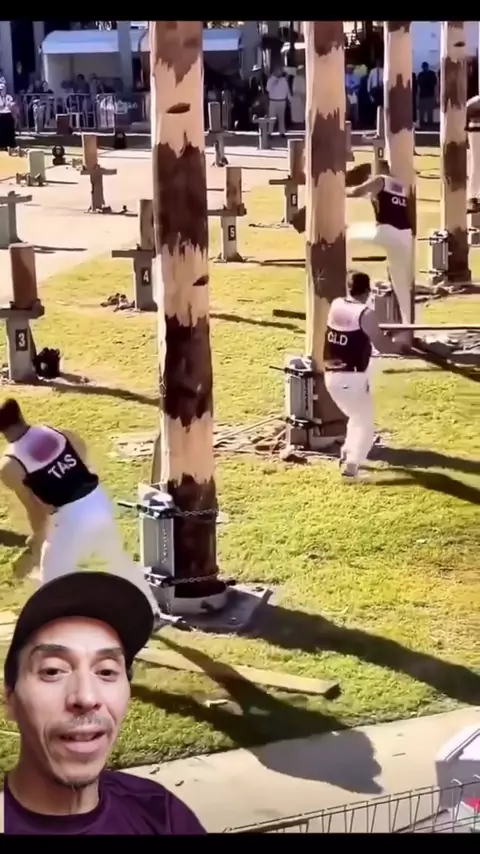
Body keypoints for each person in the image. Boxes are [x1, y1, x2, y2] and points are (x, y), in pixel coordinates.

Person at [2, 570, 207, 834]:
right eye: (52, 671)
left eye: (107, 671)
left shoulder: (161, 814)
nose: (86, 698)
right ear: (10, 700)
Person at [0, 399, 158, 613]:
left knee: (52, 582)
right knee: (116, 559)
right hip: (97, 499)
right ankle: (152, 611)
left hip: (69, 518)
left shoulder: (9, 464)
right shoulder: (52, 431)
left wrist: (38, 539)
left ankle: (58, 625)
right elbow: (80, 448)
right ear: (19, 413)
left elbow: (34, 508)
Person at [325, 270, 408, 482]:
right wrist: (401, 347)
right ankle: (351, 466)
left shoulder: (336, 304)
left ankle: (346, 452)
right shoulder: (365, 314)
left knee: (356, 416)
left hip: (331, 377)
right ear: (367, 291)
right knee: (365, 423)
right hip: (351, 378)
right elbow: (383, 345)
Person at [345, 159, 414, 341]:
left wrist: (336, 191)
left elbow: (356, 191)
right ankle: (406, 334)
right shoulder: (401, 186)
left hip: (386, 232)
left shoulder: (380, 180)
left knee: (346, 233)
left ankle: (343, 280)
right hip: (405, 236)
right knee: (403, 288)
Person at [266, 67, 290, 137]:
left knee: (281, 117)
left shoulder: (284, 80)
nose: (279, 73)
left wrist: (289, 98)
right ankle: (269, 132)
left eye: (280, 71)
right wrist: (274, 81)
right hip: (273, 101)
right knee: (271, 117)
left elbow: (287, 90)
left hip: (282, 101)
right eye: (278, 71)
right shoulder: (271, 80)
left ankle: (282, 132)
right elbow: (268, 89)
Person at [416, 61, 438, 128]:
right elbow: (435, 84)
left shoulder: (421, 75)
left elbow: (419, 85)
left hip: (426, 95)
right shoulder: (431, 74)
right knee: (427, 111)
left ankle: (425, 123)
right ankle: (426, 123)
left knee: (427, 111)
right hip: (427, 95)